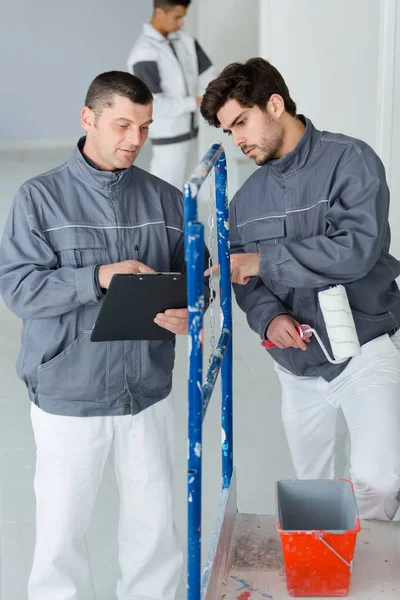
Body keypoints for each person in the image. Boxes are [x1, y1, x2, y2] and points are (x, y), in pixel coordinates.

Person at [0, 71, 189, 600]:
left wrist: (190, 311)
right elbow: (19, 289)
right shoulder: (39, 200)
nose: (135, 139)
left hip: (146, 394)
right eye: (123, 124)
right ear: (89, 119)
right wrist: (98, 278)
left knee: (155, 535)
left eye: (145, 128)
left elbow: (196, 283)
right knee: (61, 537)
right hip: (68, 394)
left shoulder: (167, 202)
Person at [200, 57, 400, 521]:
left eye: (241, 123)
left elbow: (356, 249)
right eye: (229, 132)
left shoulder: (351, 160)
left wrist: (264, 260)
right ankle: (327, 575)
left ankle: (367, 576)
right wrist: (270, 316)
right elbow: (248, 284)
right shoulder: (246, 201)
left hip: (363, 348)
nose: (238, 140)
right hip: (296, 364)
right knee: (315, 494)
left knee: (382, 479)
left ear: (274, 104)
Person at [126, 0, 217, 189]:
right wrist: (195, 102)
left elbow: (208, 75)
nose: (181, 23)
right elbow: (154, 103)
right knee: (165, 195)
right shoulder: (144, 53)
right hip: (168, 138)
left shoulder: (186, 40)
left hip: (192, 132)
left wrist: (217, 93)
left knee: (189, 193)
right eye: (177, 17)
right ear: (159, 12)